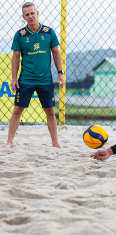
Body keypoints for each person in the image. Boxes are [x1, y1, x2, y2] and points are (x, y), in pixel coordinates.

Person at [6, 2, 65, 148]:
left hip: (45, 79)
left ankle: (56, 143)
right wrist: (14, 78)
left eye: (32, 13)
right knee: (17, 110)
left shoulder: (49, 32)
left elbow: (56, 53)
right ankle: (9, 142)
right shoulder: (20, 35)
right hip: (26, 79)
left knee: (50, 111)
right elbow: (16, 57)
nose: (30, 16)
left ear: (37, 13)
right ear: (23, 17)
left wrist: (60, 73)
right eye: (27, 14)